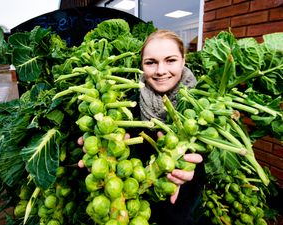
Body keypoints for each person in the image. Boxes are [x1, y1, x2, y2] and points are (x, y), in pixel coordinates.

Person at [78, 29, 206, 225]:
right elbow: (110, 165)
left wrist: (193, 169)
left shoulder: (202, 109)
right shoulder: (125, 111)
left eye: (170, 60)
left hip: (183, 213)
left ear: (183, 60)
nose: (161, 70)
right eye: (151, 62)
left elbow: (217, 166)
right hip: (132, 209)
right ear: (142, 65)